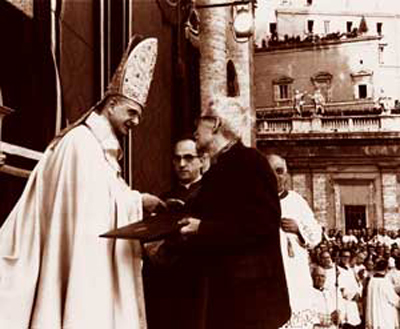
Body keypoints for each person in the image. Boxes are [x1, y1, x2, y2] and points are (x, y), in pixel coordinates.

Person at [0, 35, 164, 329]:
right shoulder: (80, 145)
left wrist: (139, 201)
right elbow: (88, 218)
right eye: (132, 112)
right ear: (112, 105)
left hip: (90, 267)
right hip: (82, 271)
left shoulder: (100, 150)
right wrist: (136, 203)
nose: (136, 122)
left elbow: (107, 199)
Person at [178, 97, 291, 329]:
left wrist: (202, 227)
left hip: (250, 300)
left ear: (216, 124)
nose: (194, 130)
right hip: (229, 296)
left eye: (199, 121)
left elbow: (262, 224)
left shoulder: (250, 162)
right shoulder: (221, 167)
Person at [143, 138, 206, 329]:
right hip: (167, 282)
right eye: (177, 159)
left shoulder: (210, 194)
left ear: (201, 160)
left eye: (188, 158)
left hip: (199, 279)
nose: (182, 164)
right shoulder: (163, 199)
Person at [267, 154, 322, 329]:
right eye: (270, 172)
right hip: (269, 272)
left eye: (280, 171)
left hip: (295, 272)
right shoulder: (256, 202)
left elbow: (316, 235)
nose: (276, 176)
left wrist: (299, 229)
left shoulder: (297, 201)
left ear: (286, 174)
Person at [366, 259, 400, 329]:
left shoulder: (371, 281)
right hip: (385, 314)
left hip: (374, 314)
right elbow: (393, 299)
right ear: (386, 269)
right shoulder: (385, 282)